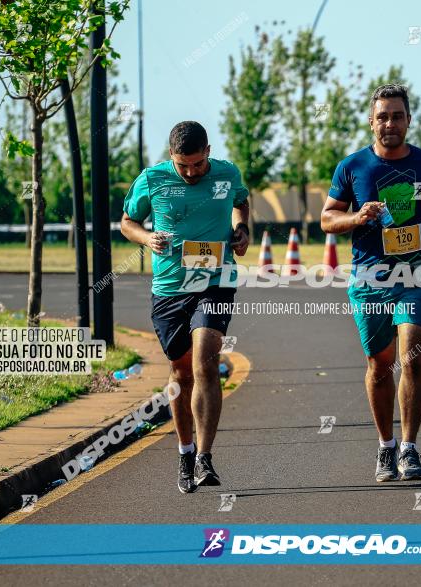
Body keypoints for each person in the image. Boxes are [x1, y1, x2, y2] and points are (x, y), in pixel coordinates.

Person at [320, 84, 421, 482]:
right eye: (383, 116)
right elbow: (327, 219)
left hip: (419, 272)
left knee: (412, 350)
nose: (390, 123)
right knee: (380, 365)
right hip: (371, 276)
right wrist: (358, 217)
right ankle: (385, 446)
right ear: (371, 121)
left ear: (409, 120)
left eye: (397, 116)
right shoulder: (352, 167)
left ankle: (410, 448)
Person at [121, 121, 250, 493]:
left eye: (197, 164)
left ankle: (205, 458)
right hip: (169, 287)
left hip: (215, 280)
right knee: (181, 374)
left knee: (205, 361)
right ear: (171, 156)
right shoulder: (152, 179)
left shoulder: (227, 173)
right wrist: (146, 237)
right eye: (183, 166)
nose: (191, 172)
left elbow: (240, 201)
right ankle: (185, 451)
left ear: (208, 150)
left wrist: (242, 230)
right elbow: (127, 222)